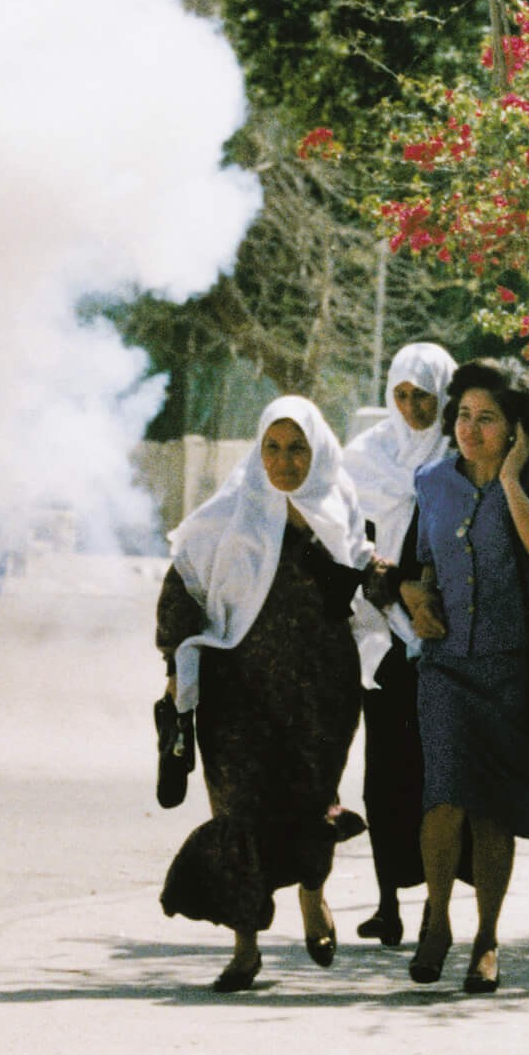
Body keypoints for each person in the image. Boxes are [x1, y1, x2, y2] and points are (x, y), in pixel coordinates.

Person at [156, 397, 388, 992]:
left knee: (309, 803)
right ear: (258, 451)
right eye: (273, 448)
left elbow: (365, 581)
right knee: (238, 814)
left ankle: (313, 894)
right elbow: (183, 588)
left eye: (298, 449)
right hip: (236, 693)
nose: (284, 461)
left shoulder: (338, 510)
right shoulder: (223, 516)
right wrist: (174, 669)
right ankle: (245, 948)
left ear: (320, 453)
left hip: (321, 692)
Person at [384, 363, 529, 995]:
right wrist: (415, 598)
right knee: (442, 798)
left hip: (515, 666)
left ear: (515, 430)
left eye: (487, 419)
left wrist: (510, 479)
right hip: (445, 665)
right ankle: (435, 922)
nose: (470, 429)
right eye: (464, 417)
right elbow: (420, 563)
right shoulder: (431, 480)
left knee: (494, 812)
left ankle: (487, 937)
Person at [343, 341, 459, 945]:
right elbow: (346, 540)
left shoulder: (459, 454)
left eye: (424, 396)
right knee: (384, 771)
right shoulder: (362, 459)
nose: (413, 407)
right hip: (382, 630)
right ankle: (387, 899)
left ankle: (433, 908)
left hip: (446, 635)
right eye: (403, 396)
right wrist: (390, 591)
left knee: (438, 774)